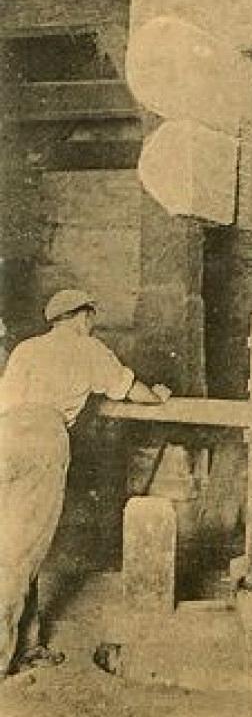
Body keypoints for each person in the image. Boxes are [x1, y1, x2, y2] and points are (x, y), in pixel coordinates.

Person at [0, 288, 171, 678]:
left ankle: (27, 644)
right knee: (18, 555)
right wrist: (158, 397)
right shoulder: (88, 349)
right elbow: (130, 389)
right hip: (43, 437)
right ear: (83, 316)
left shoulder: (27, 349)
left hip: (5, 436)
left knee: (13, 542)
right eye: (91, 317)